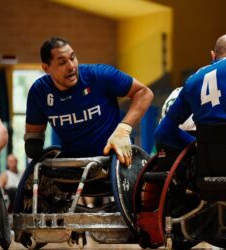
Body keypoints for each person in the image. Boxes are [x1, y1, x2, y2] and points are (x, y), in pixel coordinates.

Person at [24, 36, 154, 166]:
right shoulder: (39, 92)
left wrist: (124, 128)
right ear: (46, 68)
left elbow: (144, 93)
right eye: (62, 62)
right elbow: (33, 140)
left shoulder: (99, 75)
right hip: (75, 164)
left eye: (72, 58)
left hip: (113, 162)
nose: (71, 66)